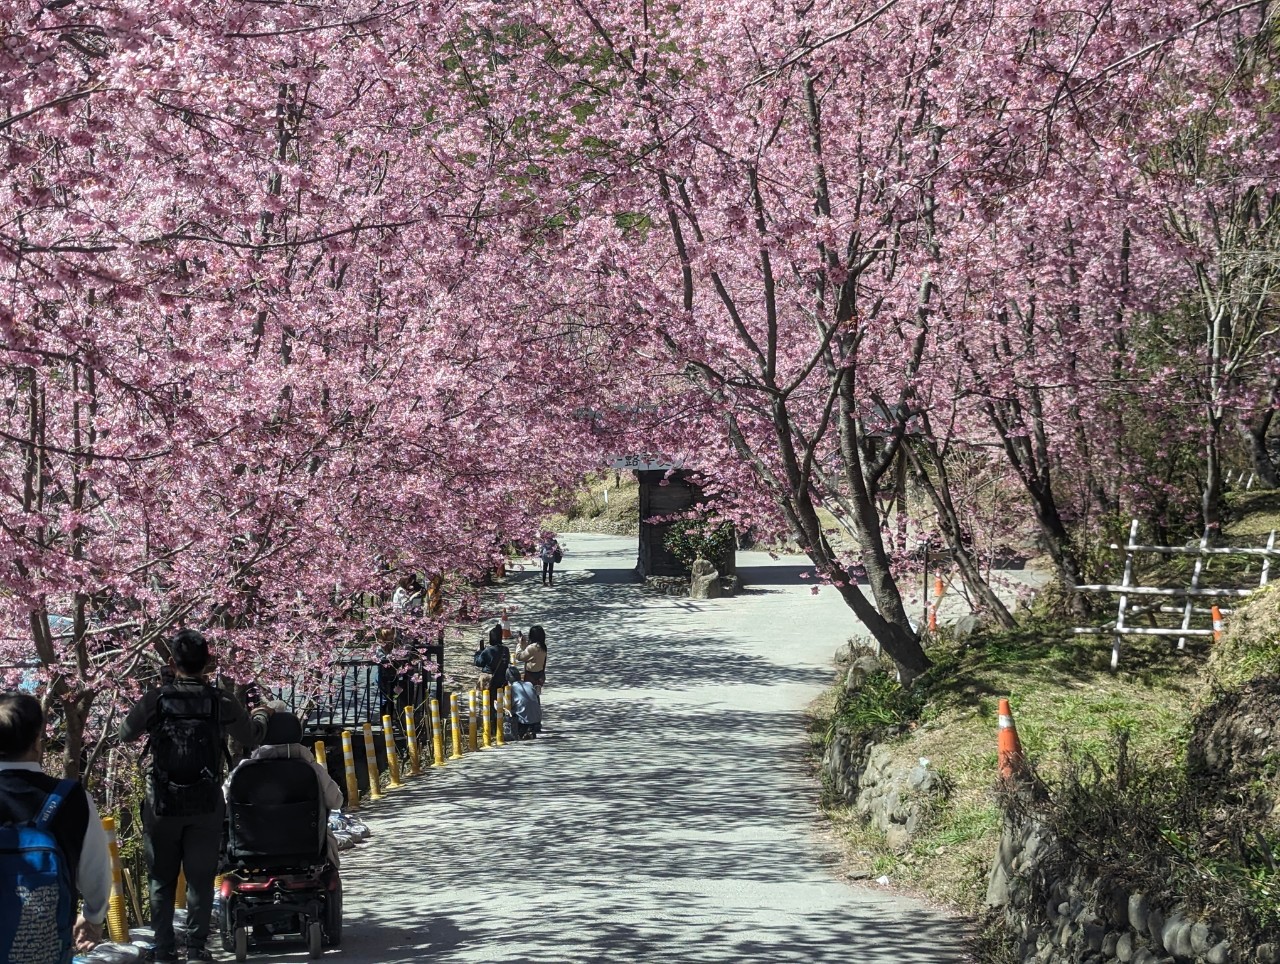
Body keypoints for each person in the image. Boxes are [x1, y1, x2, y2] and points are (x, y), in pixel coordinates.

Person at [119, 630, 271, 964]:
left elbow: (125, 734)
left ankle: (163, 951)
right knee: (200, 879)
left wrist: (156, 695)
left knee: (161, 878)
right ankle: (197, 950)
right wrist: (261, 715)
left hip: (161, 802)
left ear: (172, 663)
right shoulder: (220, 700)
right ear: (209, 663)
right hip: (205, 802)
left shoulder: (157, 699)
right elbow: (249, 736)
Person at [0, 693, 112, 963]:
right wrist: (93, 917)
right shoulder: (72, 798)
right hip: (44, 949)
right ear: (38, 738)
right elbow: (97, 871)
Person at [224, 705, 344, 867]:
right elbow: (336, 801)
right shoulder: (312, 768)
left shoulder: (243, 770)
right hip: (305, 849)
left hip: (251, 850)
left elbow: (224, 800)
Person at [473, 624, 511, 719]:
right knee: (499, 701)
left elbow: (478, 662)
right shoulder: (505, 650)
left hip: (489, 681)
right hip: (502, 679)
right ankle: (499, 719)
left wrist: (478, 652)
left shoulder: (488, 651)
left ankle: (491, 722)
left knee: (488, 702)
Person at [505, 667, 542, 740]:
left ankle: (521, 731)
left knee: (507, 712)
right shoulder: (529, 684)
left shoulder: (511, 689)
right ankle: (530, 730)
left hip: (522, 720)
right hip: (537, 718)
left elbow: (509, 706)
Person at [514, 625, 548, 693]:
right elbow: (531, 654)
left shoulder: (532, 647)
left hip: (531, 675)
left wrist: (519, 644)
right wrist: (524, 644)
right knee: (536, 694)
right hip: (540, 674)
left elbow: (519, 656)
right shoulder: (543, 646)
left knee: (529, 694)